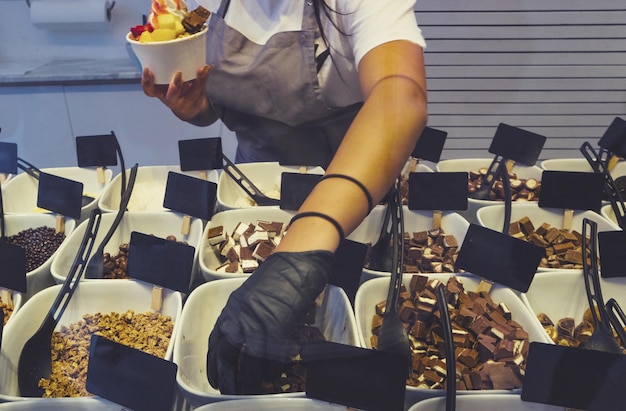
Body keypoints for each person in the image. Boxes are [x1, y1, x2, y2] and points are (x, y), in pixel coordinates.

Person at [142, 0, 427, 394]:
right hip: (254, 182)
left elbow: (400, 96)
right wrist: (196, 107)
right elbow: (217, 105)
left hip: (352, 191)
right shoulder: (201, 5)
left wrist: (310, 234)